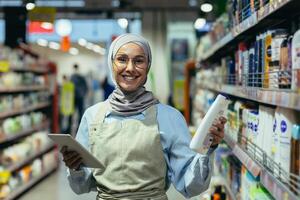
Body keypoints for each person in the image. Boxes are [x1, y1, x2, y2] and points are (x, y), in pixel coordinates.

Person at [61, 34, 227, 199]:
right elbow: (81, 186)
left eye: (139, 61)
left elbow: (191, 185)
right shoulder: (92, 116)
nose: (130, 68)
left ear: (148, 66)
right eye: (122, 59)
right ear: (112, 64)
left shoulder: (169, 117)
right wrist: (75, 168)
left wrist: (207, 147)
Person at [70, 64, 88, 129]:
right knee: (71, 113)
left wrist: (83, 94)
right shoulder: (72, 77)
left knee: (80, 113)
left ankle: (80, 127)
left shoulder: (80, 76)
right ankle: (70, 127)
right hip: (74, 98)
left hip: (79, 97)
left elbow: (85, 87)